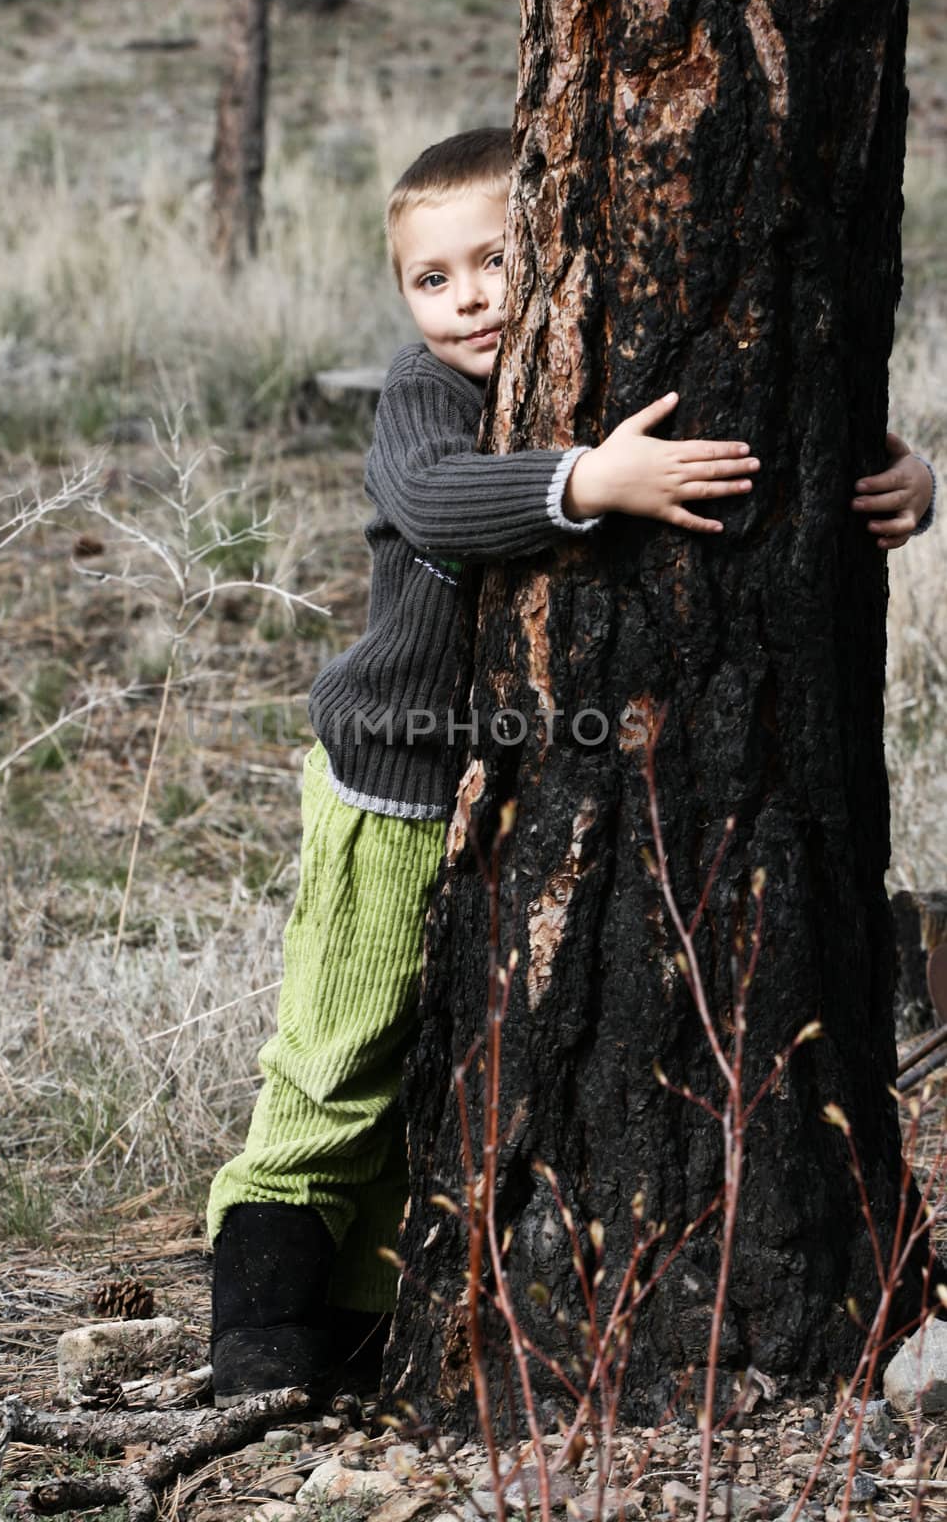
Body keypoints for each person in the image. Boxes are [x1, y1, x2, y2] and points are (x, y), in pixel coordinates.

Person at [206, 129, 936, 1405]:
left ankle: (362, 1323)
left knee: (439, 1068)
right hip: (394, 783)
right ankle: (254, 1326)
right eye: (431, 278)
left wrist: (895, 471)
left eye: (494, 261)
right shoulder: (423, 397)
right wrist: (591, 479)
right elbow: (435, 503)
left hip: (509, 801)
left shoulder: (595, 356)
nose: (470, 297)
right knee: (339, 1052)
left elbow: (759, 413)